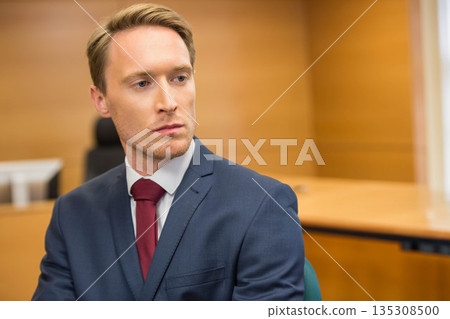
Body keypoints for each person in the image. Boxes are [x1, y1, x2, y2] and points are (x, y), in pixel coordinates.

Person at [32, 3, 305, 301]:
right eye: (142, 83)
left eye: (179, 78)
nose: (169, 102)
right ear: (101, 101)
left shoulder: (263, 205)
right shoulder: (72, 215)